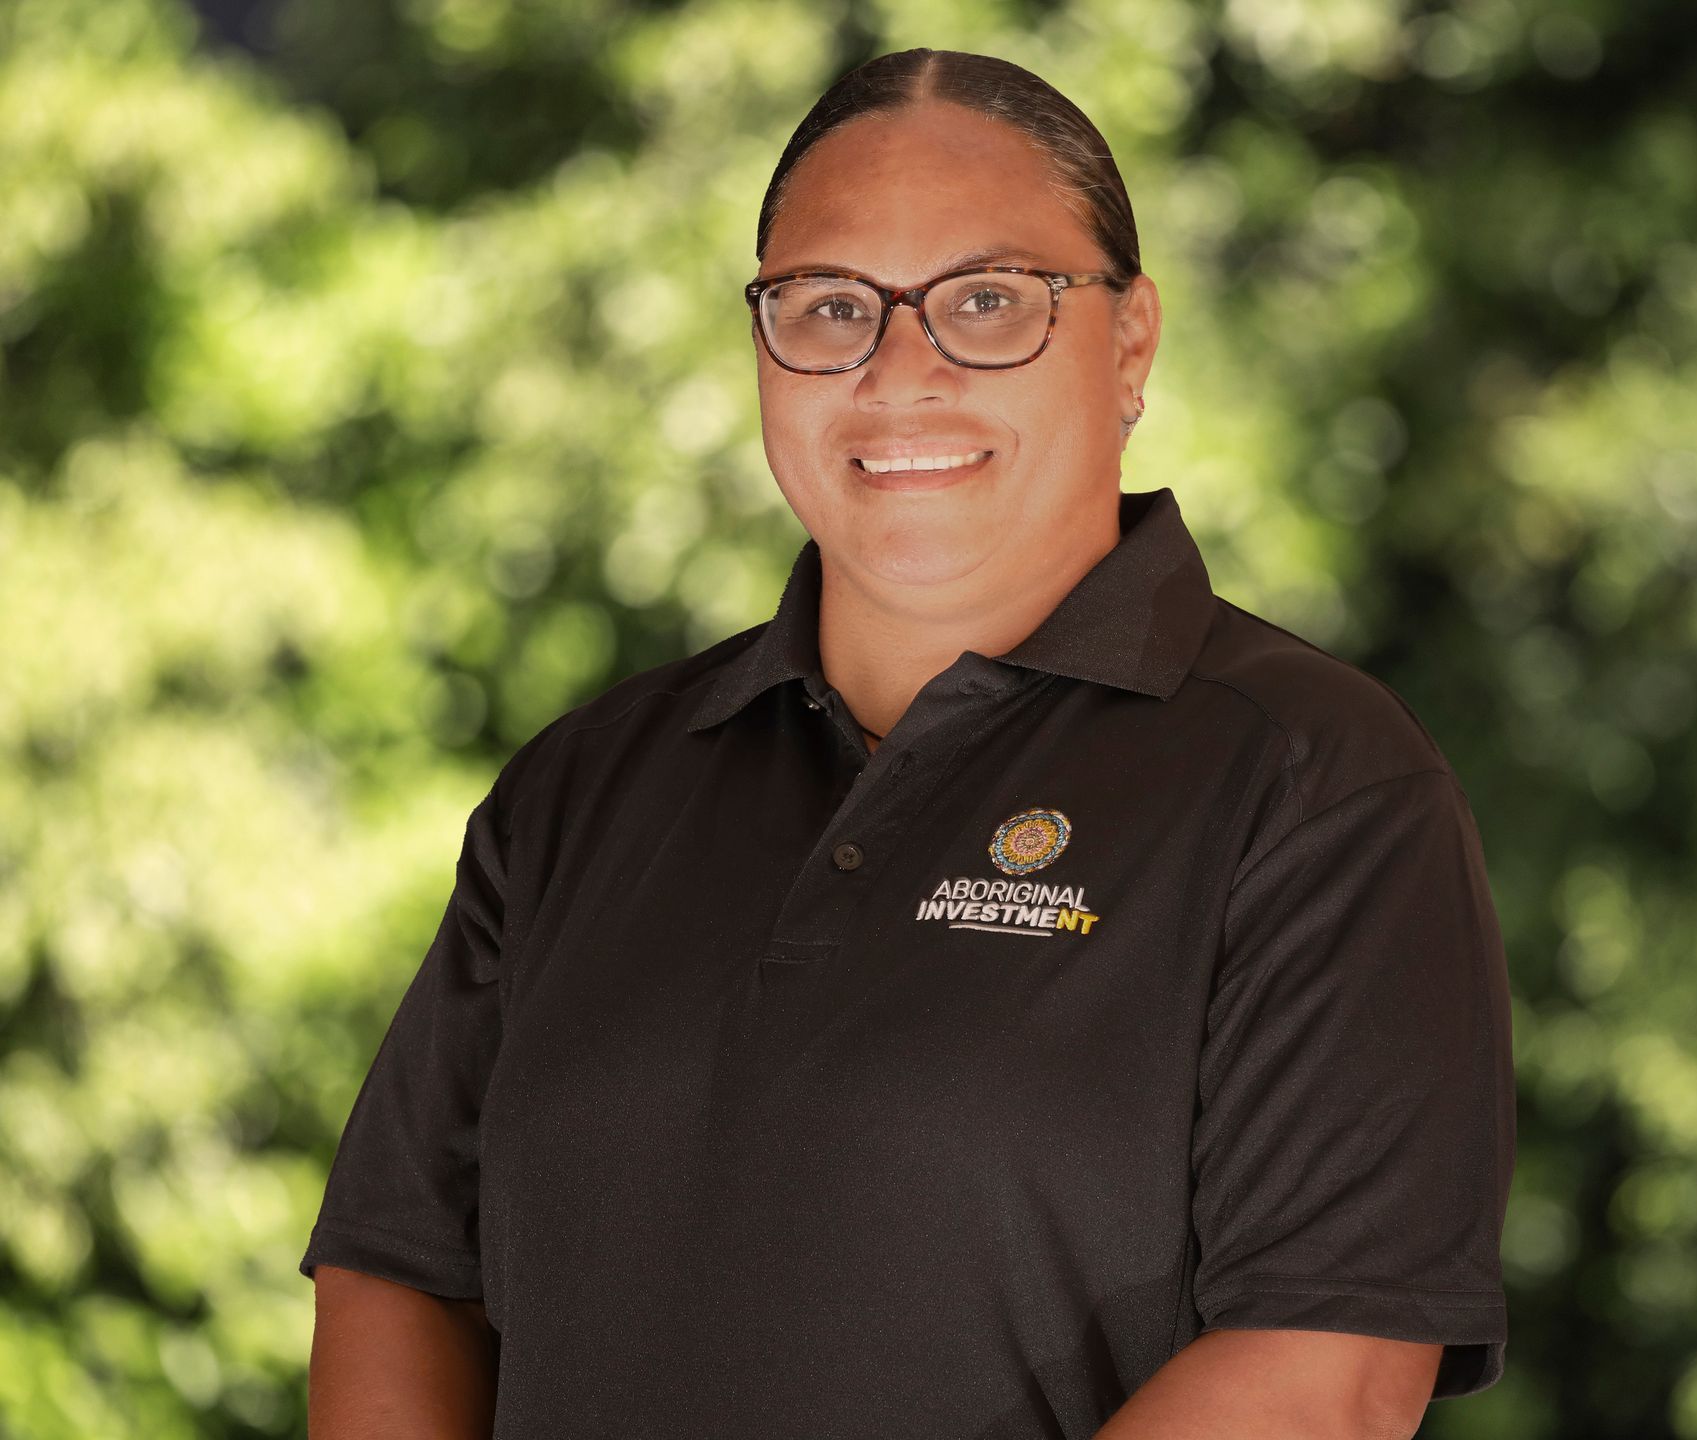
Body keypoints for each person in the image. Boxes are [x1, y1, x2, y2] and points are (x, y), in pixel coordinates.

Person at [302, 48, 1516, 1440]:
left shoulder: (1315, 783)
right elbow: (397, 1272)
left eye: (989, 301)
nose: (899, 371)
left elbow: (1324, 1375)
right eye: (828, 307)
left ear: (1129, 342)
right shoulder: (581, 788)